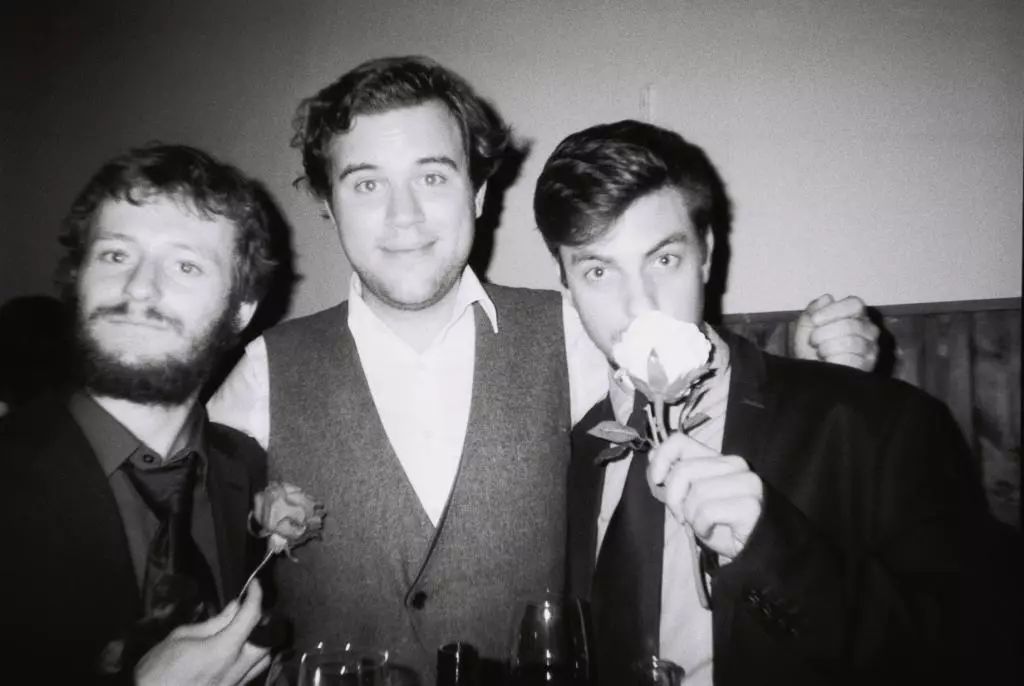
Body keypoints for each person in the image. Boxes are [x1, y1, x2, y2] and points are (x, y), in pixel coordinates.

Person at [207, 56, 879, 683]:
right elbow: (196, 579)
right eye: (366, 183)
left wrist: (805, 360)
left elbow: (683, 358)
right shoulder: (261, 373)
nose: (403, 215)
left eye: (433, 177)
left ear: (478, 192)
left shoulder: (571, 329)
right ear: (327, 202)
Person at [534, 120, 990, 685]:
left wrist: (770, 546)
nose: (639, 305)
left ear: (706, 254)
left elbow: (969, 651)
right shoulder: (571, 457)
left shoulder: (878, 424)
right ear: (567, 283)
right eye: (599, 270)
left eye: (663, 260)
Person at [0, 144, 277, 684]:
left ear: (241, 309)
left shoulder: (246, 470)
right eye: (115, 255)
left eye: (185, 265)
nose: (139, 287)